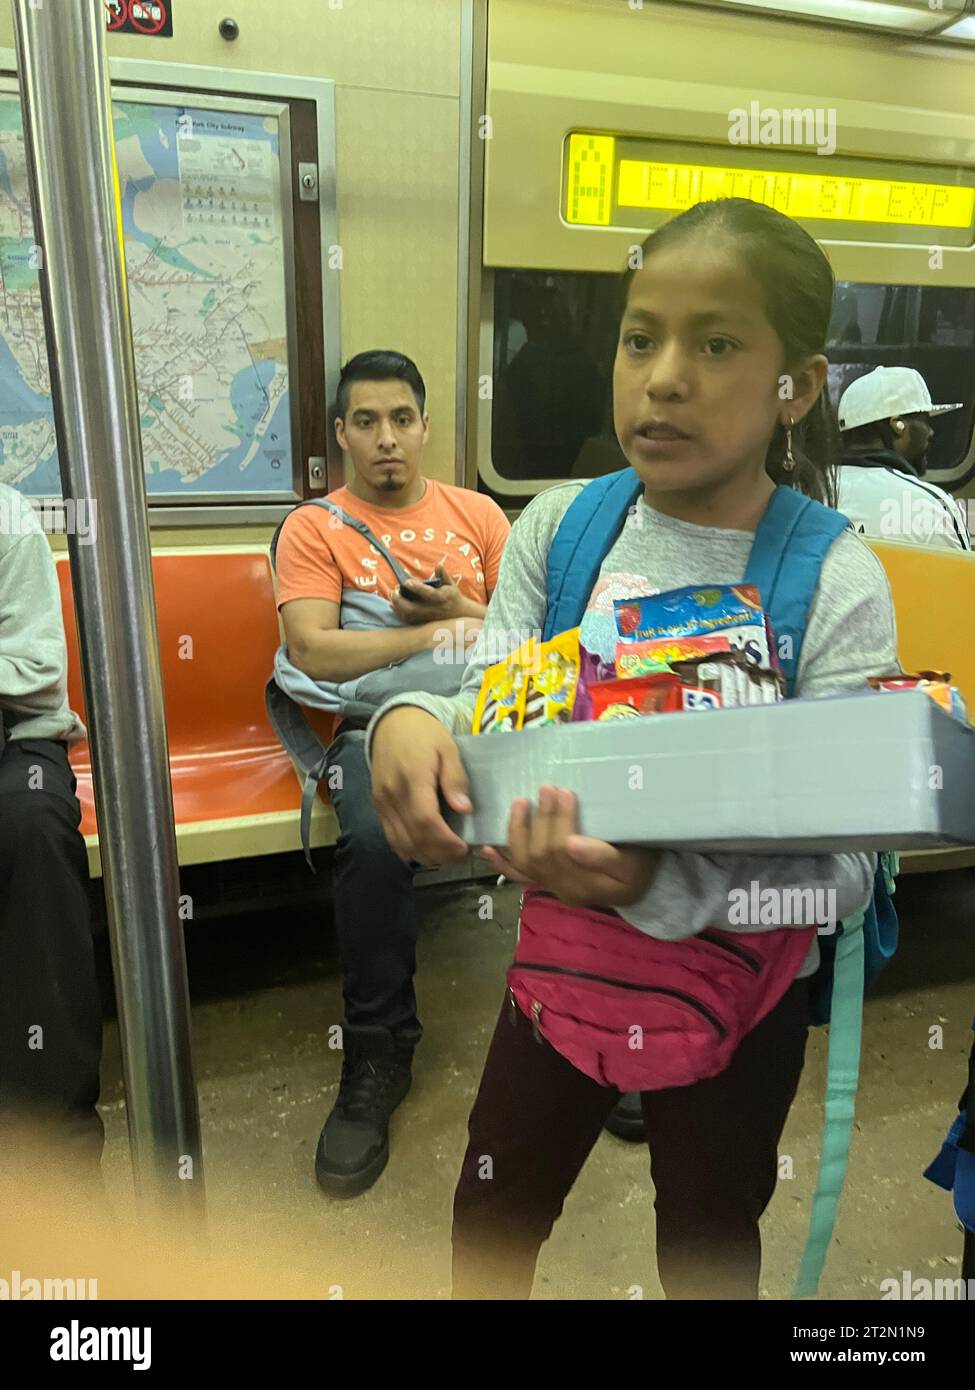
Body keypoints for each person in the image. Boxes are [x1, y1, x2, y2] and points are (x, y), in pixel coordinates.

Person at [367, 198, 900, 1299]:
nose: (662, 377)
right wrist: (406, 722)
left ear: (795, 384)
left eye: (716, 344)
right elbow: (489, 704)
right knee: (491, 1218)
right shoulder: (563, 529)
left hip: (738, 1010)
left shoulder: (833, 583)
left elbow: (846, 873)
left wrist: (661, 881)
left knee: (706, 1246)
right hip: (558, 983)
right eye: (639, 336)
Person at [274, 350, 510, 1196]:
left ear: (423, 426)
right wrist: (428, 636)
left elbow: (531, 634)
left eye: (401, 419)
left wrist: (461, 611)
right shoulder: (315, 528)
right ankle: (377, 1051)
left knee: (586, 799)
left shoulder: (478, 515)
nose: (386, 439)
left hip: (489, 715)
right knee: (372, 837)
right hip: (373, 726)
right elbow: (314, 649)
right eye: (365, 422)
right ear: (341, 434)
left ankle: (606, 1031)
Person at [0, 482, 102, 1179]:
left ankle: (57, 1137)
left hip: (13, 732)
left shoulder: (6, 516)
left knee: (33, 829)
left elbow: (37, 670)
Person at [836, 365, 970, 550]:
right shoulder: (930, 506)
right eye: (924, 420)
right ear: (897, 425)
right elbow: (960, 578)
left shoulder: (809, 491)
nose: (930, 432)